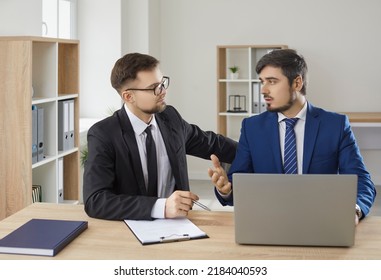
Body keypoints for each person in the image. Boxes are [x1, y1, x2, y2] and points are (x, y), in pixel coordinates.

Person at [208, 49, 376, 224]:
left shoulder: (336, 125)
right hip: (268, 222)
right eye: (262, 82)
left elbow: (362, 181)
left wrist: (354, 210)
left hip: (321, 221)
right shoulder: (252, 127)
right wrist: (226, 190)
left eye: (272, 82)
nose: (263, 90)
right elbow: (239, 182)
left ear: (297, 83)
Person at [83, 52, 237, 221]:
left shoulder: (170, 118)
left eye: (163, 83)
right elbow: (96, 201)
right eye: (154, 87)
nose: (163, 91)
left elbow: (212, 143)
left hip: (178, 226)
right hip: (128, 230)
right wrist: (161, 207)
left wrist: (256, 151)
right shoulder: (104, 134)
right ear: (128, 96)